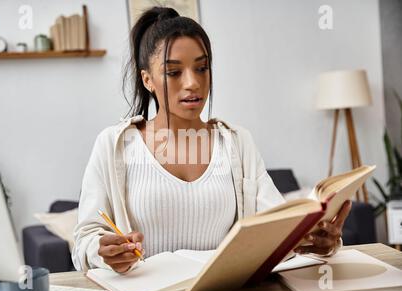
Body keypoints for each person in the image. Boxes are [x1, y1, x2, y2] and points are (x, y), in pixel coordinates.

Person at [72, 7, 350, 274]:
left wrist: (315, 240)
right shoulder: (114, 145)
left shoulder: (238, 143)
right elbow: (84, 243)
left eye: (202, 68)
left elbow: (277, 232)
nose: (192, 82)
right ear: (148, 80)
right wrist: (101, 251)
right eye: (174, 72)